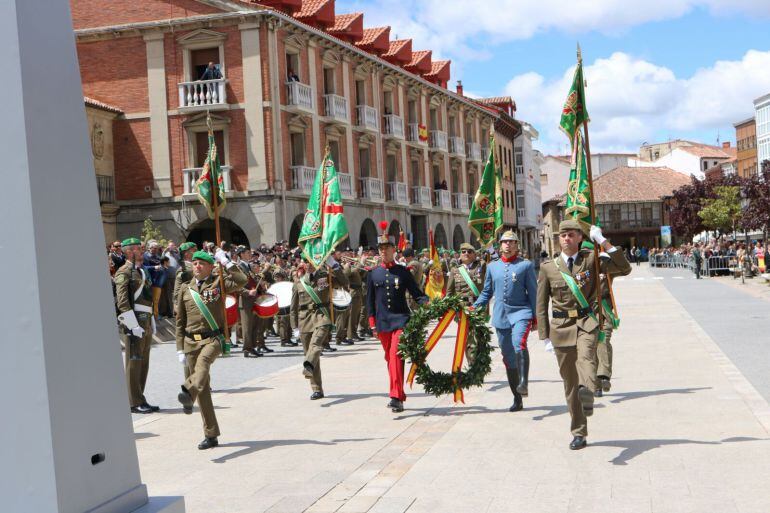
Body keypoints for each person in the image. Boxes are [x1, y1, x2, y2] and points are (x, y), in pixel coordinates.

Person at [536, 220, 631, 450]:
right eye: (563, 235)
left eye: (571, 235)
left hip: (586, 322)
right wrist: (545, 336)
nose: (566, 238)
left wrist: (602, 240)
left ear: (580, 237)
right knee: (570, 384)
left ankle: (587, 392)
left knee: (587, 358)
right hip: (560, 327)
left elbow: (624, 268)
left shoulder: (591, 259)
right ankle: (579, 431)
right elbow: (541, 303)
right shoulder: (549, 266)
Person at [176, 249, 247, 450]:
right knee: (204, 389)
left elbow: (242, 280)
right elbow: (180, 321)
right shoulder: (185, 289)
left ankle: (188, 391)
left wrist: (227, 262)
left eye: (201, 264)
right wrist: (179, 348)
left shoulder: (219, 283)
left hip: (212, 339)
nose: (197, 266)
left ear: (210, 267)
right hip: (191, 342)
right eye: (195, 263)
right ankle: (211, 434)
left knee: (203, 364)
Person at [473, 232, 537, 411]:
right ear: (500, 245)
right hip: (501, 317)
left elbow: (533, 293)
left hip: (521, 313)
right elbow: (487, 292)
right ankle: (517, 398)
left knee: (519, 343)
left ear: (517, 245)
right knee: (509, 358)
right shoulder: (492, 267)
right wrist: (475, 307)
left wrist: (536, 318)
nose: (508, 245)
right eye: (504, 242)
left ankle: (523, 382)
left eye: (511, 242)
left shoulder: (526, 266)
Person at [367, 229, 429, 413]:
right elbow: (369, 301)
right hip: (383, 323)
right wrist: (372, 324)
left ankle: (395, 396)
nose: (384, 251)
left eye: (387, 248)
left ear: (394, 250)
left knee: (395, 354)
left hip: (401, 320)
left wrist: (428, 304)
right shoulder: (373, 273)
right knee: (390, 358)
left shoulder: (403, 272)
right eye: (381, 248)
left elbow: (417, 294)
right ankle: (399, 396)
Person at [290, 258, 348, 400]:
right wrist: (294, 327)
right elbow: (293, 307)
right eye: (306, 262)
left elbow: (344, 282)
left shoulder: (326, 276)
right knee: (309, 352)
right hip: (304, 320)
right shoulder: (299, 281)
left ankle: (308, 366)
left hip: (322, 316)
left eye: (311, 262)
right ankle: (317, 389)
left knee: (315, 345)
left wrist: (334, 264)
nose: (309, 265)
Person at [114, 237, 158, 414]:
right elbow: (122, 302)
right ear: (129, 251)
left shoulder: (140, 271)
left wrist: (151, 319)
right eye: (139, 249)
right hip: (133, 323)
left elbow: (147, 298)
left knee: (143, 362)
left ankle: (140, 397)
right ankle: (133, 401)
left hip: (145, 319)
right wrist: (132, 325)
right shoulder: (124, 272)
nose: (142, 251)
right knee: (134, 362)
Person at [447, 243, 486, 363]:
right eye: (463, 251)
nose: (466, 254)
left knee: (479, 336)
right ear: (460, 254)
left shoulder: (481, 266)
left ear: (475, 254)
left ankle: (481, 364)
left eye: (469, 251)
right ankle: (472, 365)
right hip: (463, 308)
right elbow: (449, 292)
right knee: (468, 338)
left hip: (478, 307)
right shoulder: (455, 270)